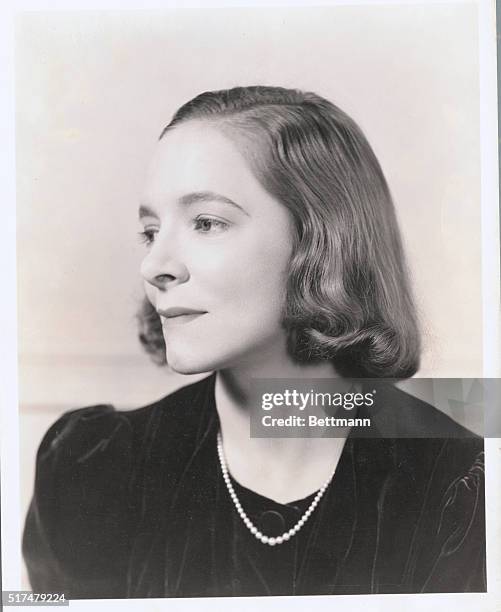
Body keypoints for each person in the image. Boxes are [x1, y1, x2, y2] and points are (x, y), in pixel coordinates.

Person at [23, 86, 485, 598]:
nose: (154, 266)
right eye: (150, 232)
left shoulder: (461, 481)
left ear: (320, 239)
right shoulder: (93, 468)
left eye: (206, 223)